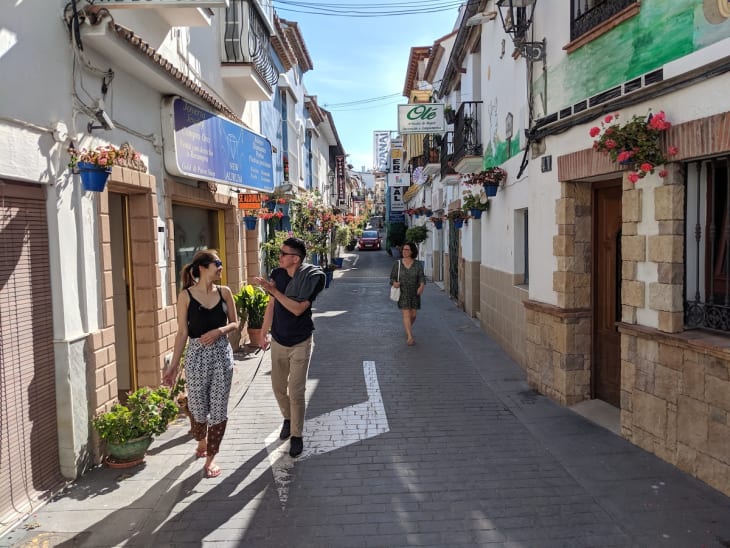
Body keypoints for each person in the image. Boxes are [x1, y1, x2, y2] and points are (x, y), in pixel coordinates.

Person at [163, 249, 238, 478]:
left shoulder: (225, 292)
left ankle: (211, 457)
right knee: (197, 408)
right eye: (218, 263)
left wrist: (219, 331)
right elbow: (182, 333)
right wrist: (173, 366)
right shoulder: (186, 296)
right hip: (196, 356)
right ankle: (202, 442)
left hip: (221, 356)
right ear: (203, 267)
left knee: (218, 409)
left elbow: (235, 322)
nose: (221, 266)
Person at [254, 237, 325, 458]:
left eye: (283, 253)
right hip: (278, 340)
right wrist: (263, 332)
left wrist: (273, 291)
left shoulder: (310, 279)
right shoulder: (277, 274)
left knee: (296, 391)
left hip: (300, 341)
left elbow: (297, 309)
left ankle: (296, 435)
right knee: (277, 388)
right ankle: (288, 417)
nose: (279, 256)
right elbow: (272, 305)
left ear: (295, 258)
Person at [390, 241, 426, 346]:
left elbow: (422, 277)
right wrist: (394, 283)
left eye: (407, 250)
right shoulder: (398, 264)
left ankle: (407, 327)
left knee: (413, 315)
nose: (404, 251)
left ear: (412, 251)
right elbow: (392, 278)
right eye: (403, 249)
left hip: (415, 292)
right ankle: (410, 336)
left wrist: (422, 286)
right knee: (406, 314)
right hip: (403, 292)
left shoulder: (418, 264)